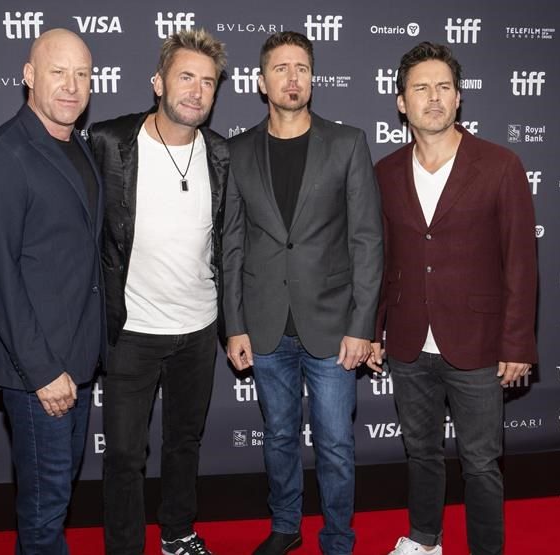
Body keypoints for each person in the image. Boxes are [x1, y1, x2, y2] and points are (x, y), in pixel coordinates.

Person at [367, 41, 537, 555]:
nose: (433, 97)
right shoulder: (385, 172)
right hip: (410, 340)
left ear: (459, 98)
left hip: (481, 344)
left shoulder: (500, 165)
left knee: (482, 462)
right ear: (401, 102)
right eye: (421, 88)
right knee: (420, 451)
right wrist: (373, 331)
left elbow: (521, 264)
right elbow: (378, 260)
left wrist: (517, 344)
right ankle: (424, 540)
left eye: (443, 87)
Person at [222, 31, 383, 555]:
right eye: (281, 69)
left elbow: (366, 241)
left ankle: (338, 537)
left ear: (313, 77)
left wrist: (363, 327)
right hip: (266, 324)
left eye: (302, 68)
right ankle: (286, 526)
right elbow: (231, 244)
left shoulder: (347, 142)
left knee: (336, 444)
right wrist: (235, 323)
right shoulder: (238, 150)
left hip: (333, 326)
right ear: (260, 81)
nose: (293, 78)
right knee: (278, 438)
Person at [87, 29, 229, 555]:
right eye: (185, 77)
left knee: (184, 443)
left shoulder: (219, 154)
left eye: (207, 82)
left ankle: (178, 533)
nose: (195, 91)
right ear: (158, 83)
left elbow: (226, 244)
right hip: (133, 331)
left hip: (199, 329)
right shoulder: (109, 142)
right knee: (124, 453)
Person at [0, 29, 104, 555]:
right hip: (38, 374)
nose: (71, 86)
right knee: (45, 514)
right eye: (57, 72)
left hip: (79, 362)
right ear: (28, 75)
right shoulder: (2, 155)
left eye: (82, 75)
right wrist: (43, 372)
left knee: (56, 498)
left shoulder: (78, 149)